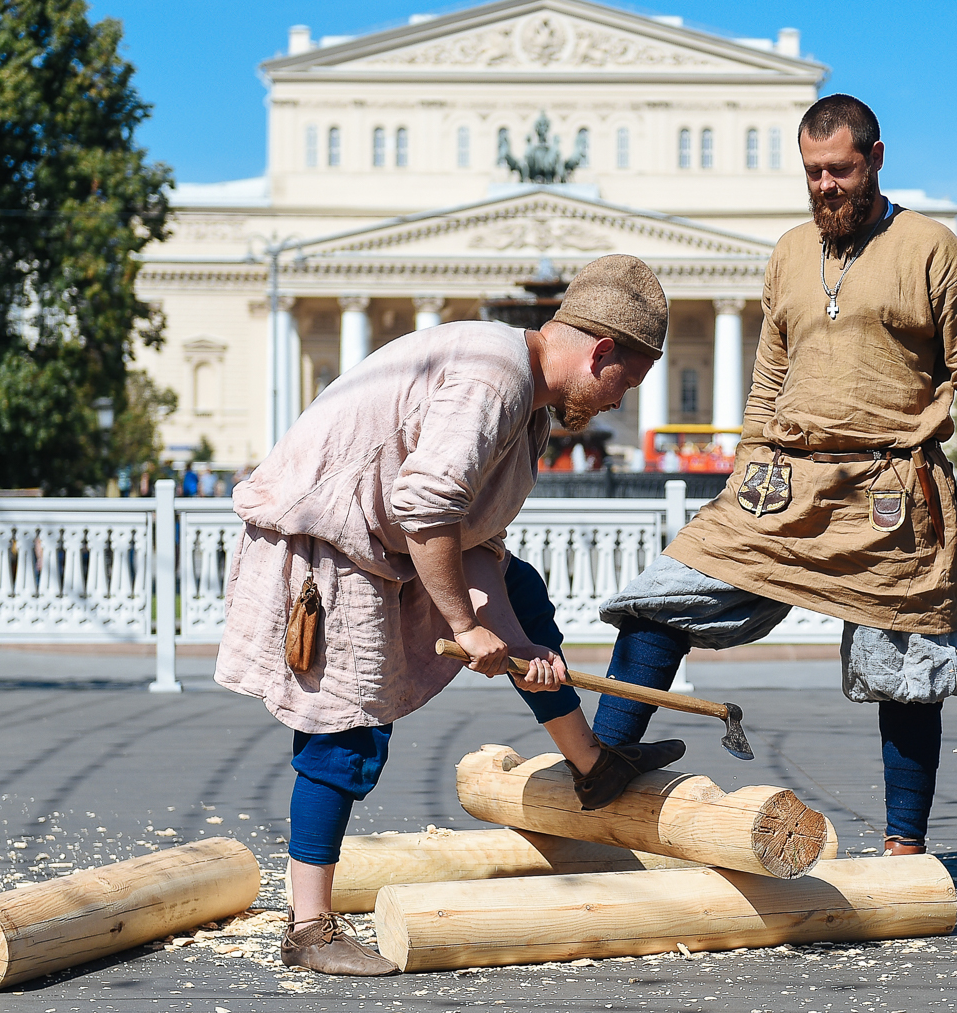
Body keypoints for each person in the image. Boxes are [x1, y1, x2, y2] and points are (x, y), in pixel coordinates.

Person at [213, 254, 685, 976]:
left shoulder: (527, 405)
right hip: (328, 546)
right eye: (627, 381)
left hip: (384, 541)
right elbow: (426, 505)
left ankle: (594, 766)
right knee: (347, 727)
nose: (621, 401)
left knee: (519, 592)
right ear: (601, 353)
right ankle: (307, 929)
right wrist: (467, 629)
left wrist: (521, 643)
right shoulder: (495, 375)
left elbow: (474, 548)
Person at [586, 94, 957, 856]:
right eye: (813, 172)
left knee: (906, 661)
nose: (826, 186)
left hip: (892, 494)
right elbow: (768, 377)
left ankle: (903, 852)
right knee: (661, 598)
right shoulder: (787, 252)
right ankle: (596, 775)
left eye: (840, 170)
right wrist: (744, 471)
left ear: (876, 159)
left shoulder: (931, 248)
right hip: (780, 486)